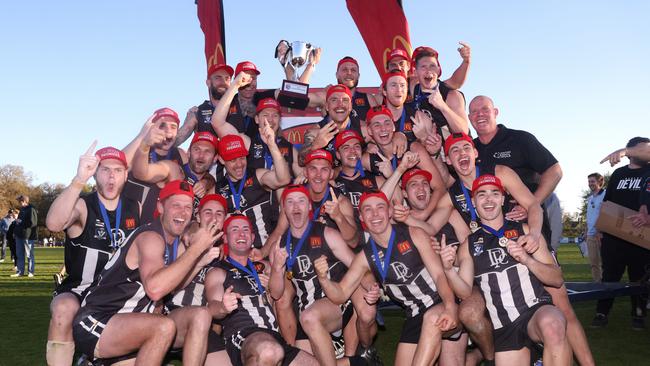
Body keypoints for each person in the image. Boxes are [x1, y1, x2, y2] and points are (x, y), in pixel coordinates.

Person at [468, 95, 594, 366]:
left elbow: (555, 170)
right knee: (511, 304)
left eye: (485, 109)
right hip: (493, 239)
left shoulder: (519, 139)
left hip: (530, 234)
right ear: (468, 118)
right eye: (473, 111)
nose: (479, 115)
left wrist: (532, 202)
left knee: (562, 310)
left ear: (496, 112)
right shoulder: (471, 149)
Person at [72, 180, 221, 364]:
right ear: (160, 206)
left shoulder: (173, 242)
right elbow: (155, 289)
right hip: (98, 320)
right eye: (176, 205)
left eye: (188, 207)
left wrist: (199, 264)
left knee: (201, 315)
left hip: (136, 323)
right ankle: (93, 359)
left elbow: (172, 285)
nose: (183, 213)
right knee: (163, 327)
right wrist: (196, 249)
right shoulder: (150, 237)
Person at [315, 190, 458, 366]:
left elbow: (439, 276)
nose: (375, 214)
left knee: (430, 326)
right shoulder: (365, 256)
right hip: (414, 315)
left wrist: (450, 307)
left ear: (390, 212)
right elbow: (341, 294)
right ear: (361, 217)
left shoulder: (414, 234)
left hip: (442, 302)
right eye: (368, 209)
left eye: (380, 207)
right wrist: (323, 279)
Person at [439, 174, 571, 365]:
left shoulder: (525, 231)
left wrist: (527, 259)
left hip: (535, 312)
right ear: (474, 203)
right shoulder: (469, 244)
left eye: (494, 193)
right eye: (482, 194)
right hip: (503, 326)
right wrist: (449, 270)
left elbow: (557, 279)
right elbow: (465, 291)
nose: (489, 199)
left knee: (553, 325)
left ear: (502, 199)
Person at [44, 143, 141, 366]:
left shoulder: (134, 207)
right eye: (105, 169)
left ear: (126, 175)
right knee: (63, 309)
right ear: (95, 173)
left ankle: (92, 359)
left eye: (117, 170)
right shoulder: (82, 204)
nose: (111, 177)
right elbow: (53, 223)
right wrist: (79, 180)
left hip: (118, 294)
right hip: (80, 288)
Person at [269, 185, 378, 365]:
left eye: (301, 201)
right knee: (302, 362)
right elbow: (275, 293)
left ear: (309, 207)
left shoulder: (326, 233)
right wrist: (276, 269)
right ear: (284, 209)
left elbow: (357, 266)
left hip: (335, 303)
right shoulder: (279, 245)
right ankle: (358, 362)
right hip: (306, 310)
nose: (296, 207)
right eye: (290, 202)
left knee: (309, 318)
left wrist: (372, 287)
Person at [204, 214, 317, 366]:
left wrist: (277, 269)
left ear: (252, 237)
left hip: (274, 336)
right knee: (268, 351)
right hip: (244, 335)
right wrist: (223, 307)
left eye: (245, 230)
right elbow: (212, 307)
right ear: (225, 238)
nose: (241, 234)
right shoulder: (218, 271)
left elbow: (277, 294)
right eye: (235, 229)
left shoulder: (264, 266)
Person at [593, 137, 650, 330]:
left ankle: (638, 314)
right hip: (614, 234)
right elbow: (607, 203)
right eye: (643, 149)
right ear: (633, 149)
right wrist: (600, 229)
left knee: (639, 277)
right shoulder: (618, 173)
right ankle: (601, 313)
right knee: (610, 276)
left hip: (641, 234)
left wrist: (624, 151)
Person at [214, 133, 290, 248]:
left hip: (265, 252)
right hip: (235, 257)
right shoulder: (216, 190)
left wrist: (272, 145)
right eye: (233, 160)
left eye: (242, 158)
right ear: (222, 160)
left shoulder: (257, 176)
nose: (239, 164)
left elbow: (284, 179)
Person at [175, 63, 235, 144]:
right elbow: (176, 140)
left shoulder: (239, 106)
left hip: (236, 155)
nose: (223, 82)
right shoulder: (197, 111)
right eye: (218, 78)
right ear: (208, 83)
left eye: (227, 78)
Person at [585, 173, 606, 282]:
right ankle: (597, 285)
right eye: (589, 181)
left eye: (592, 181)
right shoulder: (590, 198)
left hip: (601, 234)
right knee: (593, 263)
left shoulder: (606, 194)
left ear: (599, 182)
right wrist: (586, 231)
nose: (590, 184)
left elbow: (606, 214)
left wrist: (600, 231)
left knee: (605, 263)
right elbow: (589, 216)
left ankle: (607, 285)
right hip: (590, 235)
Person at [12, 194, 38, 277]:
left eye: (19, 201)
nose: (19, 203)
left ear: (23, 201)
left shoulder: (31, 209)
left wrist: (21, 222)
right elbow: (20, 221)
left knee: (29, 255)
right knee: (19, 255)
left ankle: (31, 272)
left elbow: (33, 223)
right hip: (19, 235)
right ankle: (20, 272)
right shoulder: (22, 209)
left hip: (27, 236)